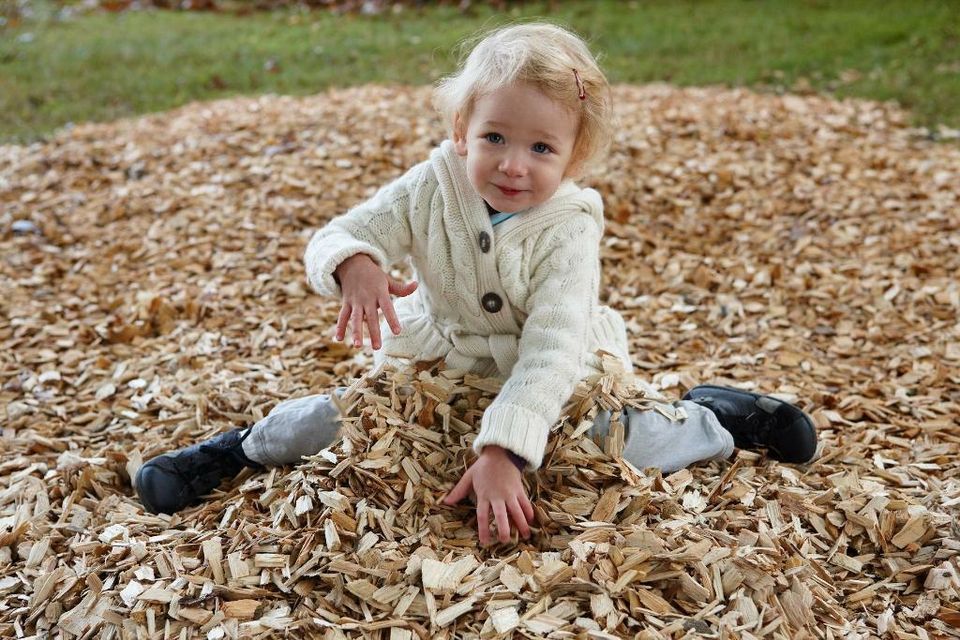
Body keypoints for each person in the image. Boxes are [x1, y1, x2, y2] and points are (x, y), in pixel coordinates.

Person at [135, 23, 817, 543]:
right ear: (462, 130)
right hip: (439, 365)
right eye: (495, 137)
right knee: (339, 420)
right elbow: (340, 231)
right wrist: (355, 263)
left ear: (574, 156)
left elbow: (552, 347)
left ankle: (715, 416)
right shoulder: (432, 184)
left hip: (554, 376)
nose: (514, 165)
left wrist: (501, 450)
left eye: (542, 148)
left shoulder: (569, 226)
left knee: (622, 445)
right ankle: (230, 453)